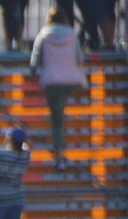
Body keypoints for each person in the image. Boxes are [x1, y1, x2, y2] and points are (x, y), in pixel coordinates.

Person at [30, 8, 84, 167]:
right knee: (63, 114)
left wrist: (33, 73)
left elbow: (34, 58)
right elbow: (79, 58)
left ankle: (59, 154)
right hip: (72, 82)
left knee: (57, 120)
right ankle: (62, 149)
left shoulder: (44, 34)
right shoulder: (72, 34)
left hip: (52, 82)